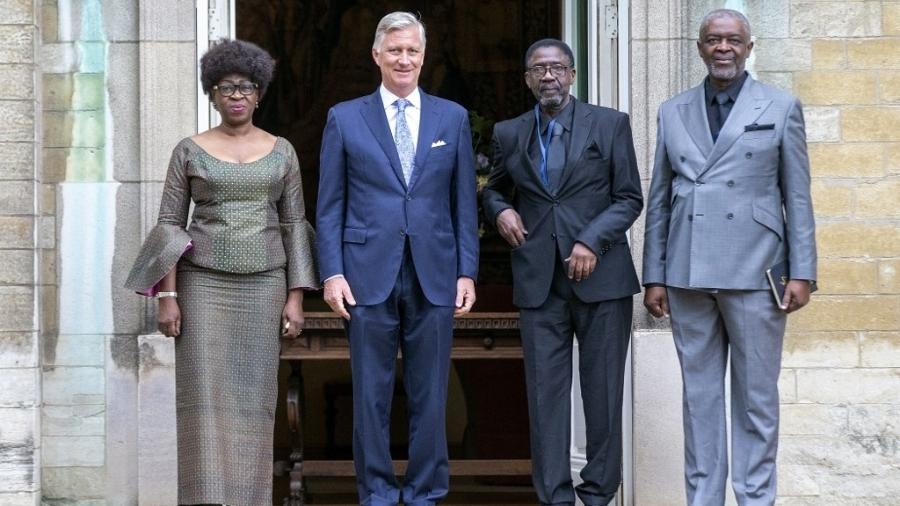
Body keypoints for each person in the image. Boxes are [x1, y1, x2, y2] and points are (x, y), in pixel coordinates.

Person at [124, 39, 318, 505]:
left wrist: (296, 295)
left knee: (254, 401)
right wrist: (167, 297)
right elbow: (171, 224)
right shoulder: (188, 150)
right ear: (212, 93)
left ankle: (251, 498)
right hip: (203, 285)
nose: (236, 95)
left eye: (246, 87)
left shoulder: (282, 151)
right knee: (202, 402)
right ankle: (205, 499)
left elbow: (294, 222)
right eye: (226, 87)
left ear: (259, 93)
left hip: (265, 285)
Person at [642, 9, 817, 505]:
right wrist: (654, 274)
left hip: (757, 272)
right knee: (699, 401)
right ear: (700, 48)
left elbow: (797, 196)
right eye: (713, 40)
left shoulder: (780, 106)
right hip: (687, 272)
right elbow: (659, 196)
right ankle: (703, 500)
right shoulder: (673, 109)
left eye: (733, 40)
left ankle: (756, 499)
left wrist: (802, 270)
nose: (723, 48)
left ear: (749, 47)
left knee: (756, 401)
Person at [315, 11, 479, 506]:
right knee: (371, 393)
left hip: (435, 271)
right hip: (366, 274)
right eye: (394, 50)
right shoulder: (345, 117)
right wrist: (332, 272)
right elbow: (329, 204)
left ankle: (426, 492)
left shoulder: (452, 117)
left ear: (423, 56)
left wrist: (467, 270)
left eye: (412, 50)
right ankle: (379, 493)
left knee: (432, 393)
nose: (403, 59)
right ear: (377, 56)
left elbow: (463, 203)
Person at [482, 39, 643, 506]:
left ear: (572, 75)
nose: (548, 76)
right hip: (539, 284)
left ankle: (597, 495)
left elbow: (629, 197)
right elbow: (494, 190)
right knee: (545, 399)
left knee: (602, 395)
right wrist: (500, 211)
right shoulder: (510, 133)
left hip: (602, 282)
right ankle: (554, 497)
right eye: (538, 69)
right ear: (527, 79)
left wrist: (592, 239)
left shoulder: (610, 124)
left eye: (556, 68)